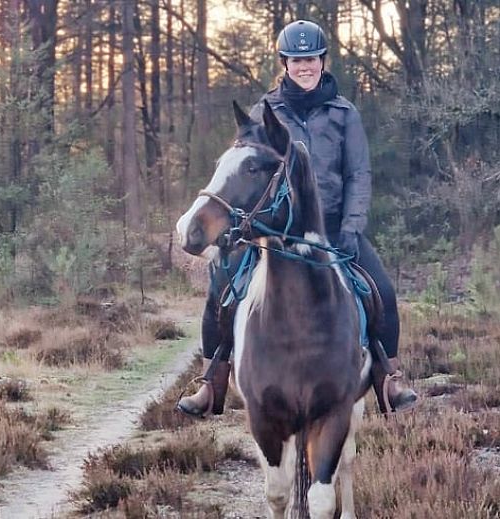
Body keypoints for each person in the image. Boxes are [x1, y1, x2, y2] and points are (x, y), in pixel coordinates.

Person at [177, 19, 418, 417]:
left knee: (382, 292)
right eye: (296, 60)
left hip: (336, 225)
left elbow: (359, 174)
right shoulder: (265, 110)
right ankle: (211, 380)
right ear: (284, 63)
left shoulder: (345, 114)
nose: (304, 66)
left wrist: (352, 230)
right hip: (274, 226)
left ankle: (389, 378)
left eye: (311, 58)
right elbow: (243, 167)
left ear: (323, 61)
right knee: (222, 290)